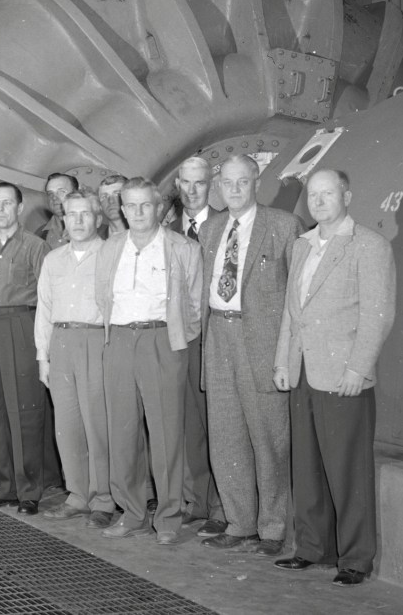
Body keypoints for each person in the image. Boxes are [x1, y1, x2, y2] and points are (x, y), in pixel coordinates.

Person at [272, 169, 395, 587]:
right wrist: (283, 362)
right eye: (314, 194)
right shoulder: (303, 246)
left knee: (348, 471)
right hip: (304, 371)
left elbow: (377, 315)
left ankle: (355, 559)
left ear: (348, 195)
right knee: (306, 466)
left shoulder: (369, 246)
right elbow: (293, 313)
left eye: (329, 193)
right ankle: (310, 548)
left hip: (343, 376)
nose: (319, 201)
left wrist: (358, 369)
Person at [199, 155, 303, 557]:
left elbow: (295, 299)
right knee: (226, 436)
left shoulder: (283, 226)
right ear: (219, 186)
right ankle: (239, 522)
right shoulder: (210, 229)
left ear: (256, 182)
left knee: (269, 438)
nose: (235, 190)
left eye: (243, 182)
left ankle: (273, 528)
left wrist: (286, 356)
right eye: (228, 183)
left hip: (260, 342)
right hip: (219, 337)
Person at [96, 178, 202, 544]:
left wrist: (172, 343)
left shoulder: (181, 248)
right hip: (120, 340)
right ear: (122, 209)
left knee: (167, 433)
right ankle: (132, 513)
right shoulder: (110, 248)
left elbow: (194, 305)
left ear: (158, 207)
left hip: (163, 340)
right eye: (130, 205)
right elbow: (101, 297)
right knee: (122, 432)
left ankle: (169, 517)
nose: (138, 212)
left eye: (145, 205)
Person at [0, 182, 54, 515]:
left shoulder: (35, 246)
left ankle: (29, 489)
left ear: (20, 209)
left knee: (24, 407)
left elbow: (47, 296)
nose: (1, 209)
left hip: (21, 323)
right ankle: (2, 485)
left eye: (8, 203)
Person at [35, 189, 116, 528]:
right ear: (63, 219)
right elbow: (44, 308)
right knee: (66, 424)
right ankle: (77, 495)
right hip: (61, 342)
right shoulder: (54, 259)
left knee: (98, 422)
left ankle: (104, 498)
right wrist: (43, 356)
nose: (78, 220)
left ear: (97, 218)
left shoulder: (110, 254)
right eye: (72, 214)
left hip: (96, 339)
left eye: (85, 214)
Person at [167, 157, 226, 537]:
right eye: (185, 183)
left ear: (211, 184)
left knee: (220, 425)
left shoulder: (226, 227)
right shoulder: (166, 232)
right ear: (177, 184)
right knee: (188, 423)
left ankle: (223, 505)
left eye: (200, 183)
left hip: (217, 338)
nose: (192, 190)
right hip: (181, 340)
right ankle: (196, 501)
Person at [38, 173, 78, 250]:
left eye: (61, 191)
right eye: (50, 193)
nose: (54, 197)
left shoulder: (94, 232)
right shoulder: (40, 234)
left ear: (76, 194)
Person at [97, 174, 128, 238]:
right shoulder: (93, 240)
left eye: (117, 194)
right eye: (104, 196)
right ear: (100, 206)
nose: (111, 201)